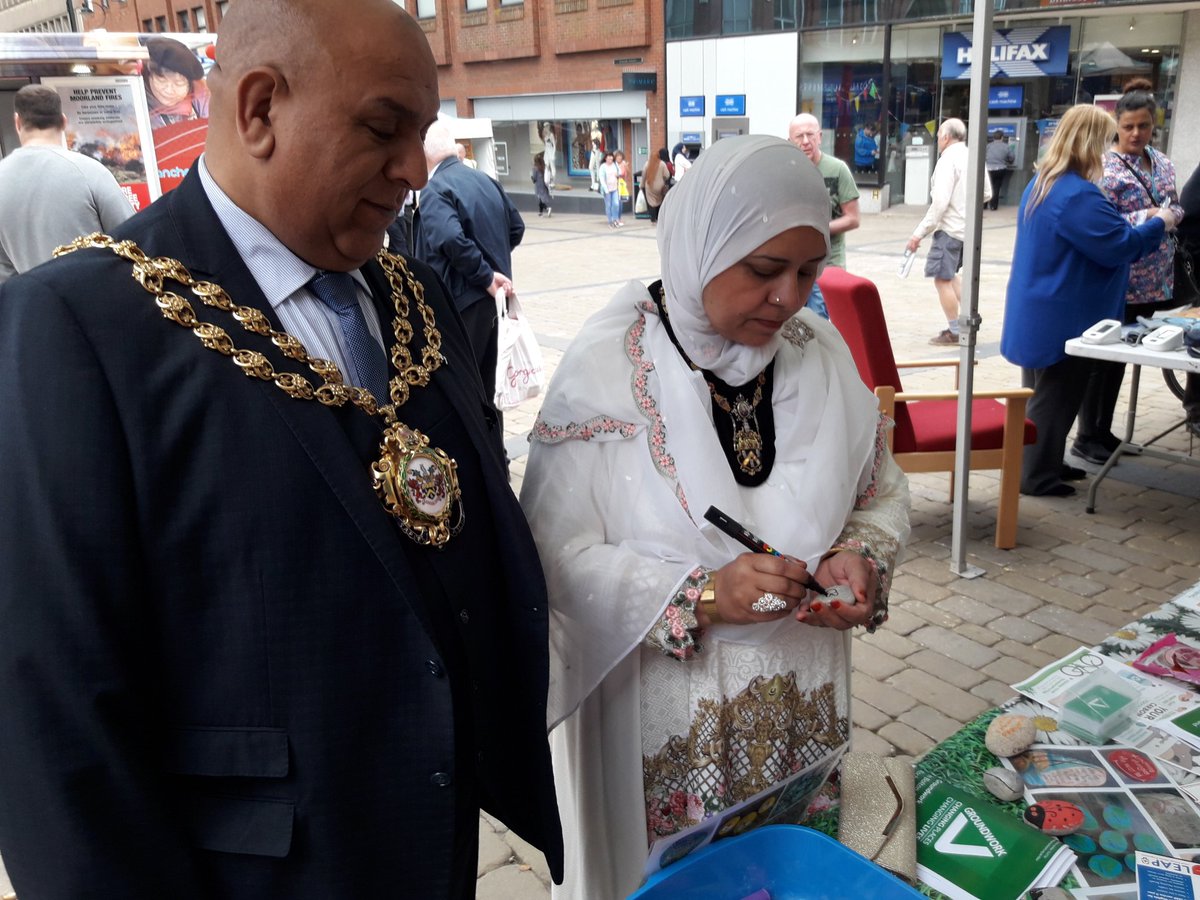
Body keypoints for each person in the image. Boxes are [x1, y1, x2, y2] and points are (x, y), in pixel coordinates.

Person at [0, 2, 562, 897]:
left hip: (436, 841)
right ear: (260, 108)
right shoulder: (81, 326)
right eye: (385, 128)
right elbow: (54, 722)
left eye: (422, 136)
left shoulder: (411, 293)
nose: (416, 172)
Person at [521, 134, 911, 899]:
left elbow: (877, 493)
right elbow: (550, 556)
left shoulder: (821, 356)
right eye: (764, 271)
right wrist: (700, 595)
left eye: (809, 271)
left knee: (787, 868)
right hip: (662, 712)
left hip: (801, 694)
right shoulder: (611, 369)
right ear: (699, 247)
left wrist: (858, 555)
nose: (790, 298)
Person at [1000, 104, 1173, 498]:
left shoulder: (1045, 181)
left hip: (1041, 305)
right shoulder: (1076, 193)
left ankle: (1044, 462)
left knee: (1043, 394)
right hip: (1065, 313)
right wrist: (1160, 222)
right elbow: (1120, 245)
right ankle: (1036, 476)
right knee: (1056, 399)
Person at [1073, 79, 1184, 467]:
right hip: (1119, 276)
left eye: (1144, 126)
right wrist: (1150, 217)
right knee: (1103, 357)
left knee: (1124, 358)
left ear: (1154, 126)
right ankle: (1087, 436)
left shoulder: (1164, 162)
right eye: (1128, 126)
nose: (1136, 133)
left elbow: (1177, 204)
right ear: (1116, 126)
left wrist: (1172, 214)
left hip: (1155, 278)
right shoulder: (1105, 168)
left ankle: (1105, 430)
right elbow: (1102, 222)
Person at [416, 119, 525, 408]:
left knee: (465, 389)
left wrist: (486, 273)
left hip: (463, 304)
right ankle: (495, 451)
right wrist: (493, 265)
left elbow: (450, 238)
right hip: (493, 300)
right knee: (490, 387)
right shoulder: (486, 181)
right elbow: (516, 227)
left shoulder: (435, 190)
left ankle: (481, 452)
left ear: (425, 155)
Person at [0, 84, 132, 284]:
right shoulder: (89, 171)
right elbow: (133, 239)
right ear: (63, 121)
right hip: (101, 301)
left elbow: (6, 275)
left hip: (42, 307)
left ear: (17, 122)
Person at [905, 118, 992, 346]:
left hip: (950, 229)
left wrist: (919, 233)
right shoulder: (973, 157)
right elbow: (987, 193)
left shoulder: (947, 161)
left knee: (942, 278)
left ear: (945, 137)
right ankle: (969, 319)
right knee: (951, 274)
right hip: (967, 230)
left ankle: (956, 330)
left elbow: (940, 203)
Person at [787, 113, 860, 269]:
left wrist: (819, 229)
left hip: (830, 263)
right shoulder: (785, 173)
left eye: (810, 135)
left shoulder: (838, 169)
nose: (806, 141)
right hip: (796, 265)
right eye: (799, 136)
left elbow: (853, 218)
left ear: (819, 137)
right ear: (790, 142)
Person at [141, 36, 210, 127]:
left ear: (190, 84)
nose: (169, 90)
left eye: (178, 83)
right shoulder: (136, 102)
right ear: (149, 76)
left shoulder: (202, 94)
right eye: (161, 80)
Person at [985, 130, 1014, 211]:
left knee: (987, 186)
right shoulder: (1006, 146)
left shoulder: (988, 146)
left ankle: (984, 205)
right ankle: (993, 206)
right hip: (1000, 169)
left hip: (989, 169)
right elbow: (1011, 158)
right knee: (996, 187)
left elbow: (983, 156)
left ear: (993, 138)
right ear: (1002, 137)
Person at [642, 148, 671, 224]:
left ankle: (653, 219)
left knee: (651, 202)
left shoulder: (647, 164)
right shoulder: (662, 164)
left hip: (649, 186)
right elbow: (667, 175)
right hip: (659, 186)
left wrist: (641, 185)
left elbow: (643, 176)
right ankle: (658, 217)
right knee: (658, 201)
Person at [598, 150, 621, 228]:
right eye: (609, 156)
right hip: (607, 190)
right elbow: (601, 179)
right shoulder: (603, 167)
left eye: (611, 156)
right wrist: (606, 190)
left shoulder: (615, 165)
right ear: (605, 158)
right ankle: (610, 221)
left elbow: (619, 172)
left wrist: (617, 175)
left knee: (616, 204)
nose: (611, 158)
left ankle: (615, 219)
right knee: (608, 205)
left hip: (614, 188)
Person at [532, 151, 553, 217]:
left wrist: (531, 177)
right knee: (541, 200)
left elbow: (534, 179)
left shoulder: (535, 168)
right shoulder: (543, 167)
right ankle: (540, 212)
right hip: (544, 185)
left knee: (541, 199)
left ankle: (547, 208)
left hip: (538, 186)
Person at [614, 149, 630, 227]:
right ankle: (615, 219)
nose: (619, 158)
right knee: (615, 203)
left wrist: (626, 167)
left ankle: (619, 218)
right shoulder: (614, 164)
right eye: (617, 156)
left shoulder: (624, 164)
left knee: (620, 203)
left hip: (622, 185)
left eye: (620, 156)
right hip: (614, 186)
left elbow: (627, 174)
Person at [542, 122, 557, 186]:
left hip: (551, 151)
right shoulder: (545, 135)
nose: (545, 128)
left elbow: (554, 145)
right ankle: (546, 180)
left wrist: (553, 153)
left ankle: (553, 181)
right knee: (546, 166)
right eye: (545, 127)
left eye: (546, 126)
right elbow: (545, 144)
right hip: (547, 152)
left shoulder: (551, 135)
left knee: (552, 167)